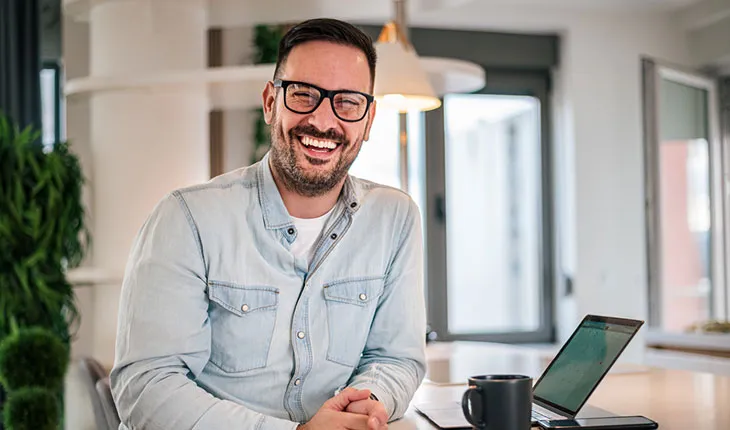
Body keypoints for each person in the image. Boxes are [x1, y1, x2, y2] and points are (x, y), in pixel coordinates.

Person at [110, 18, 427, 430]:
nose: (323, 120)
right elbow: (146, 386)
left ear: (367, 121)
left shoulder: (395, 219)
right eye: (303, 94)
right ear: (269, 102)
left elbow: (396, 357)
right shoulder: (187, 219)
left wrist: (365, 406)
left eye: (347, 102)